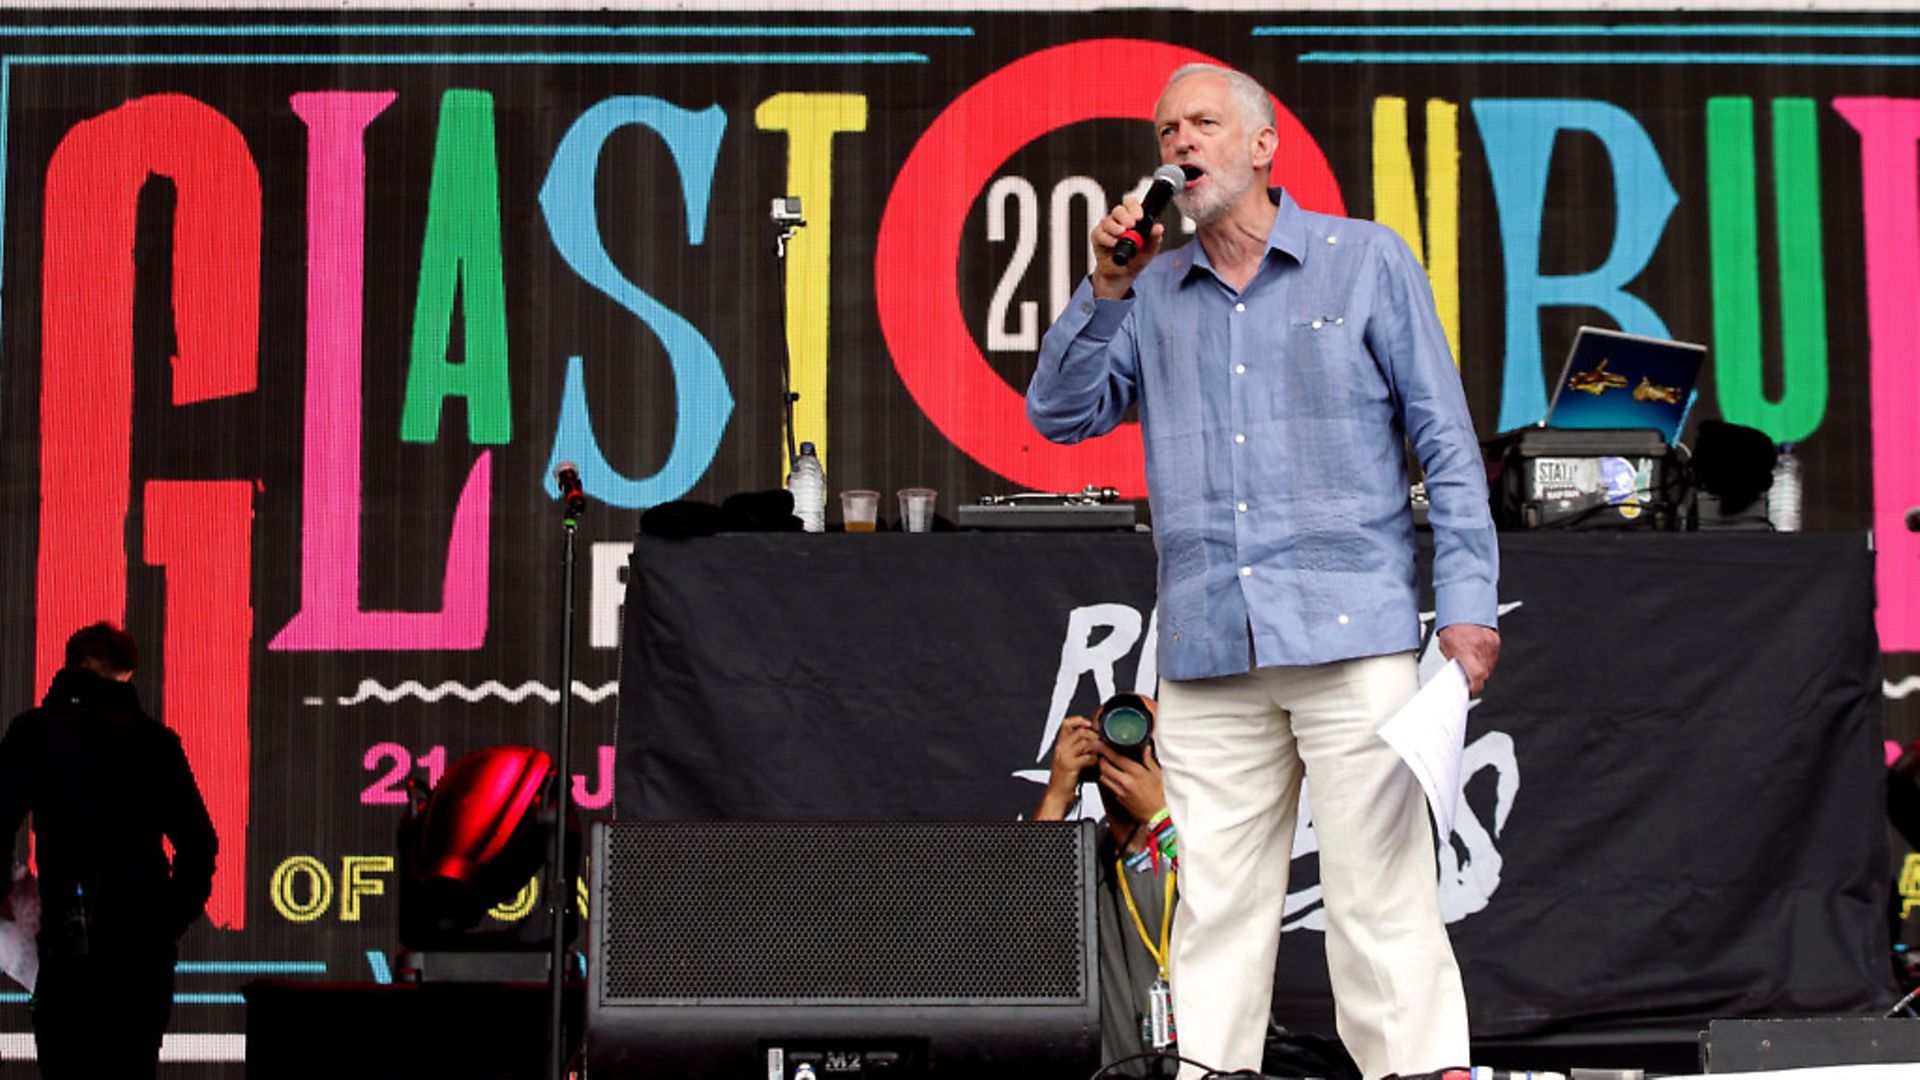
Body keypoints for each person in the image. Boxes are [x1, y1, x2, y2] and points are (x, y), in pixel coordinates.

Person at [1027, 62, 1501, 1080]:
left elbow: (1447, 444)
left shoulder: (1364, 261)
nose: (1179, 144)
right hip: (1208, 643)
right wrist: (1103, 288)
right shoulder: (1148, 291)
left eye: (1201, 123)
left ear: (1261, 144)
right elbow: (1059, 417)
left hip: (1352, 632)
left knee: (1382, 897)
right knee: (1215, 903)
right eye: (1165, 130)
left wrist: (1465, 606)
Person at [0, 622, 218, 1079]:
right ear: (127, 673)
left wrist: (14, 912)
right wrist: (164, 922)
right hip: (140, 956)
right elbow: (199, 845)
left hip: (64, 944)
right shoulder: (155, 742)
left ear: (72, 664)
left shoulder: (34, 733)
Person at [1033, 698, 1181, 1079]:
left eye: (1150, 738)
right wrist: (1056, 794)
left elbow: (1230, 909)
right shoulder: (1079, 862)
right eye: (1114, 741)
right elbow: (1021, 931)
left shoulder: (1208, 847)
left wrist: (1162, 818)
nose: (1134, 752)